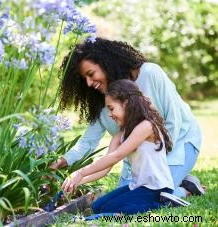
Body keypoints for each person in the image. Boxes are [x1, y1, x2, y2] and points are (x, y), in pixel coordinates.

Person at [51, 38, 205, 205]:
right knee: (125, 199)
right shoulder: (102, 104)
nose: (88, 83)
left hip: (180, 143)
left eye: (91, 74)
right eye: (84, 79)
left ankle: (187, 189)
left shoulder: (150, 73)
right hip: (138, 157)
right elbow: (87, 143)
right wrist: (60, 161)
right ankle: (179, 181)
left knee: (158, 197)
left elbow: (174, 122)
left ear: (105, 63)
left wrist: (157, 168)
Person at [62, 79, 179, 218]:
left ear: (126, 103)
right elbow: (107, 165)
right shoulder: (121, 133)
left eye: (111, 108)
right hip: (138, 186)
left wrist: (81, 173)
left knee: (111, 208)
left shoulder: (146, 126)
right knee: (97, 207)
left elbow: (116, 156)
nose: (110, 114)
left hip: (156, 188)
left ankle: (165, 203)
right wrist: (77, 182)